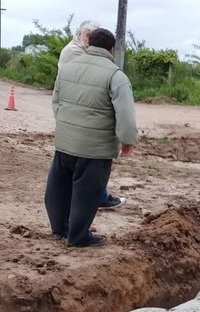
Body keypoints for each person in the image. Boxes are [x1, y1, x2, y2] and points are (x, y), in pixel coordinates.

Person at [45, 28, 138, 247]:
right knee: (86, 195)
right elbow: (125, 114)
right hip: (95, 149)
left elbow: (56, 102)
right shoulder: (116, 76)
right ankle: (78, 237)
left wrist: (67, 127)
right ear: (111, 48)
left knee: (59, 188)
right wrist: (127, 140)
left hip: (65, 143)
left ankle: (59, 229)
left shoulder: (66, 68)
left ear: (89, 44)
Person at [58, 19, 127, 210]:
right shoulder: (75, 52)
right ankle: (98, 198)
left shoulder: (79, 51)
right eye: (87, 35)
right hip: (81, 112)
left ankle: (97, 197)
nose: (90, 40)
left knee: (81, 161)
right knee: (90, 160)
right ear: (79, 34)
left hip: (77, 111)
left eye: (93, 36)